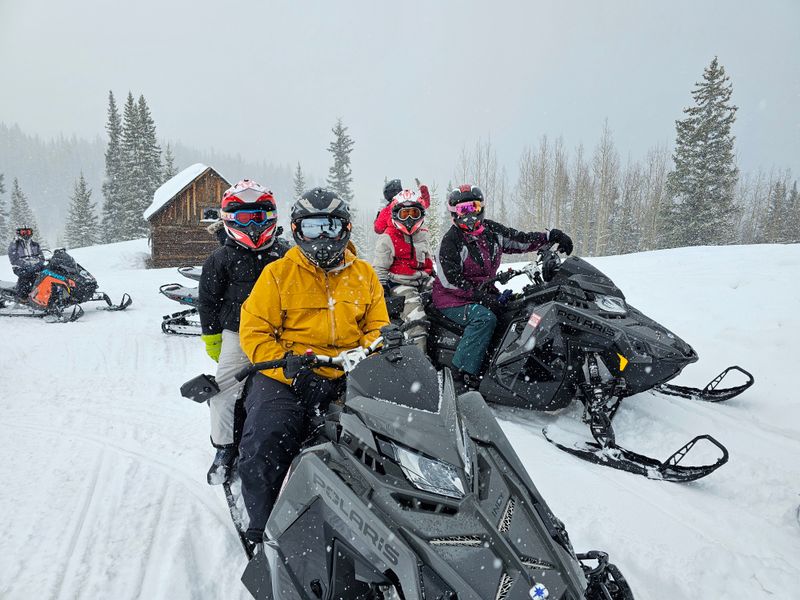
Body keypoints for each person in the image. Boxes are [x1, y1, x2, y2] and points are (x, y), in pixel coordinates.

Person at [238, 187, 389, 542]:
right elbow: (254, 330)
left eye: (330, 228)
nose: (322, 238)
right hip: (289, 373)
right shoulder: (278, 274)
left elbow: (378, 326)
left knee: (384, 438)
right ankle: (262, 525)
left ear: (346, 229)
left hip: (351, 372)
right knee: (267, 436)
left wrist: (371, 350)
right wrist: (287, 367)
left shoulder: (364, 274)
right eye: (312, 228)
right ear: (296, 231)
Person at [432, 184, 573, 387]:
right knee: (484, 319)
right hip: (451, 299)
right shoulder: (451, 242)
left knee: (518, 310)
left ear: (481, 207)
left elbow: (520, 240)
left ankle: (506, 366)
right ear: (454, 213)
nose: (469, 215)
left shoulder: (491, 231)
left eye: (474, 207)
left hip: (483, 291)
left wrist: (550, 237)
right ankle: (460, 375)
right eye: (463, 210)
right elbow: (450, 280)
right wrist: (480, 297)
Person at [197, 179, 290, 485]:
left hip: (282, 332)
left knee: (296, 385)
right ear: (230, 219)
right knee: (224, 392)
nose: (252, 225)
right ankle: (224, 448)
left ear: (271, 217)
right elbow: (208, 302)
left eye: (259, 217)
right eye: (245, 217)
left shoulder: (286, 254)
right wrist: (213, 338)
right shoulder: (220, 259)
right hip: (237, 334)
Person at [372, 188, 434, 349]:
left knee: (447, 301)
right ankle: (421, 360)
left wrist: (434, 276)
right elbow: (379, 268)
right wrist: (382, 290)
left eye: (414, 213)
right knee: (417, 318)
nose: (409, 218)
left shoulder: (423, 234)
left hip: (424, 279)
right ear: (395, 214)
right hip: (400, 284)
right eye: (404, 214)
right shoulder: (388, 237)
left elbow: (428, 261)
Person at [8, 227, 44, 302]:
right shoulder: (15, 245)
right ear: (19, 233)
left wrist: (39, 264)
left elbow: (41, 257)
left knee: (47, 273)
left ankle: (44, 294)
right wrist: (27, 265)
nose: (26, 234)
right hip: (19, 267)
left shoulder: (35, 244)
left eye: (28, 232)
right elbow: (14, 259)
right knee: (26, 275)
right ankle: (22, 297)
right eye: (23, 232)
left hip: (35, 266)